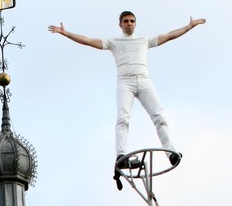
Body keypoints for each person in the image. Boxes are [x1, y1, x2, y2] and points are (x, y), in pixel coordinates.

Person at [48, 12, 205, 172]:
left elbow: (169, 36)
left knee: (159, 116)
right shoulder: (114, 42)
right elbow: (88, 41)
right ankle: (121, 155)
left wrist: (189, 26)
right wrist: (65, 33)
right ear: (120, 24)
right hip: (125, 82)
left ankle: (171, 152)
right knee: (123, 118)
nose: (129, 23)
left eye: (132, 21)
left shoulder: (144, 40)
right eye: (126, 21)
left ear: (136, 23)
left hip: (144, 81)